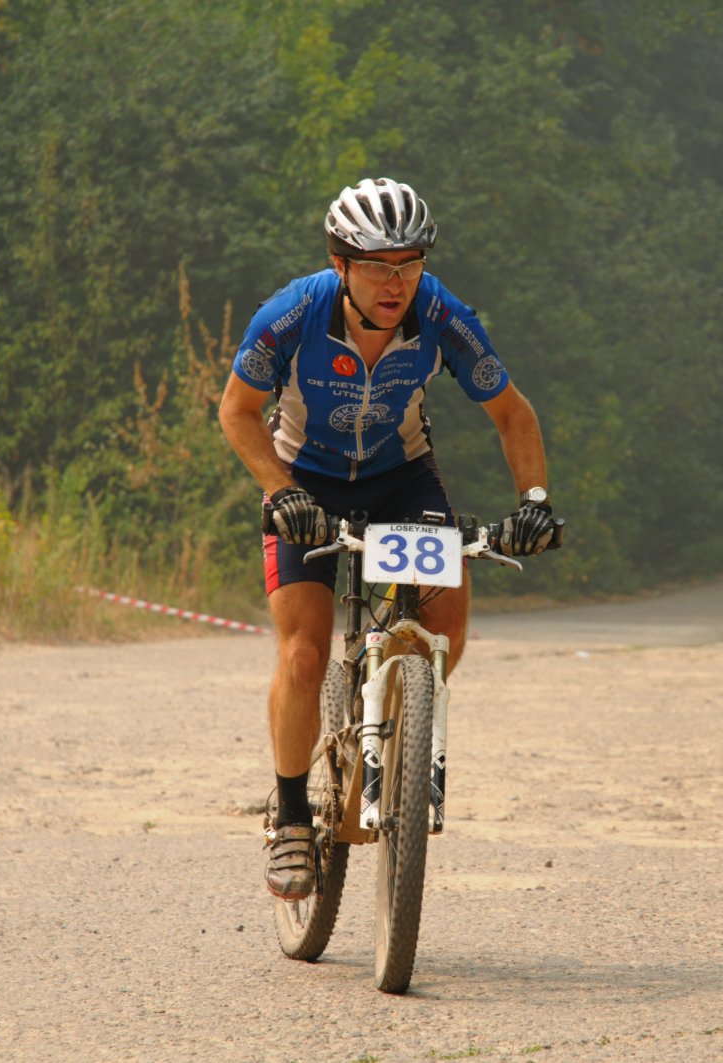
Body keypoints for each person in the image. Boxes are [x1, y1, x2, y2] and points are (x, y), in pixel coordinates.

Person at [218, 177, 558, 900]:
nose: (396, 282)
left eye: (410, 264)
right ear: (340, 264)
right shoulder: (292, 313)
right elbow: (237, 412)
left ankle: (398, 719)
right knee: (303, 653)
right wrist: (281, 491)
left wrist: (534, 502)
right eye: (377, 266)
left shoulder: (442, 314)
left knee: (446, 624)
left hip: (401, 477)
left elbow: (513, 413)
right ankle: (290, 817)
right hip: (305, 480)